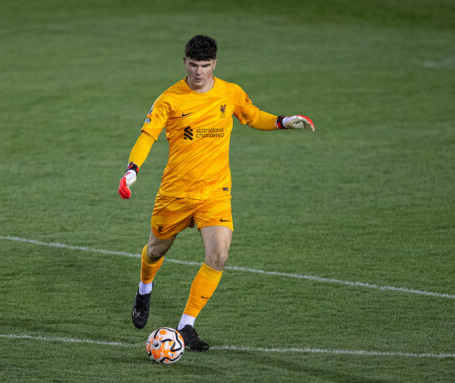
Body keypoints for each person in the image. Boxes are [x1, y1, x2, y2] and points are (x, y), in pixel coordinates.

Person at [118, 34, 314, 351]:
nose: (198, 72)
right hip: (176, 192)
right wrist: (132, 170)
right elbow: (147, 136)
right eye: (193, 65)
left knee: (219, 255)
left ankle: (186, 326)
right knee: (156, 250)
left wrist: (283, 122)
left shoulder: (230, 92)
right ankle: (144, 288)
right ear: (184, 63)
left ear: (215, 64)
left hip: (215, 193)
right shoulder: (169, 99)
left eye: (205, 65)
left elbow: (252, 115)